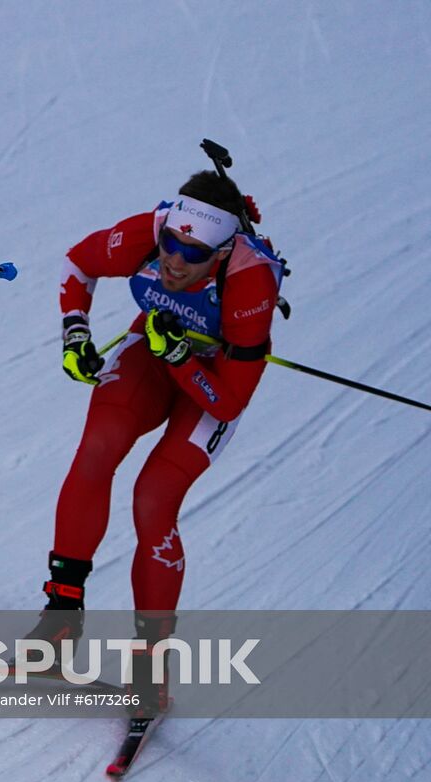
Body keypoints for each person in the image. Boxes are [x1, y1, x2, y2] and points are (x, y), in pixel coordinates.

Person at [34, 170, 284, 712]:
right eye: (171, 241)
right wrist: (76, 333)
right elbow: (78, 261)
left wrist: (179, 358)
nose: (173, 259)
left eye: (192, 254)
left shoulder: (251, 285)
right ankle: (60, 620)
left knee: (153, 501)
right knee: (97, 449)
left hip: (209, 381)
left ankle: (150, 670)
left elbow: (227, 403)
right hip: (154, 349)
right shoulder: (150, 232)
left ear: (221, 255)